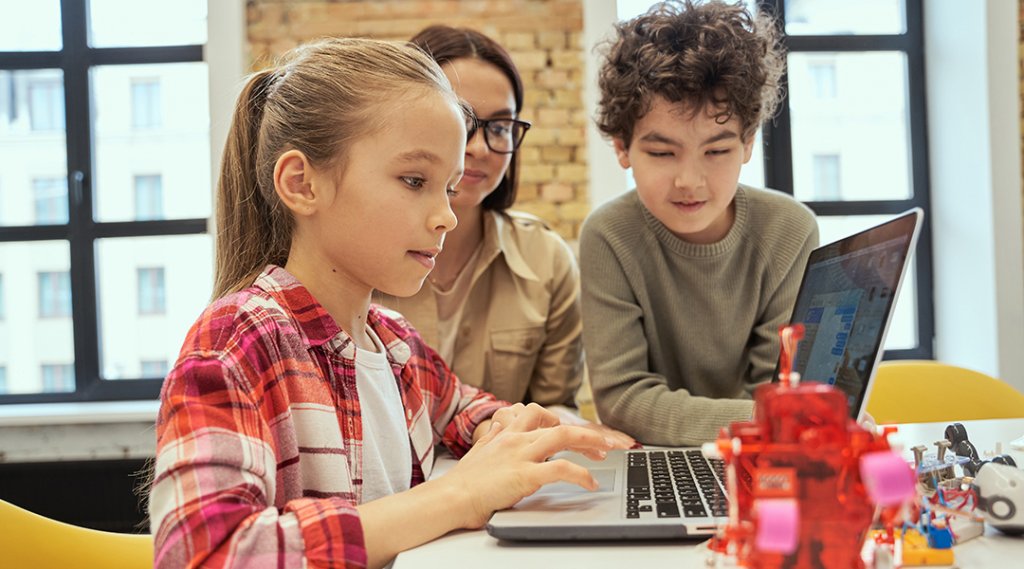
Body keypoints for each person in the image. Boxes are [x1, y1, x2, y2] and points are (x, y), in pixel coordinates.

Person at [148, 38, 615, 569]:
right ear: (302, 184)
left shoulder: (391, 341)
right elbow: (206, 554)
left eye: (449, 187)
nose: (447, 216)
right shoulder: (239, 340)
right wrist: (459, 495)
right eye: (415, 181)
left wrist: (501, 430)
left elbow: (462, 407)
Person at [580, 0, 820, 447]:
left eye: (716, 151)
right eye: (662, 153)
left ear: (748, 143)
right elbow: (622, 399)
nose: (690, 181)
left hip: (761, 457)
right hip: (660, 461)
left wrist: (777, 419)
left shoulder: (789, 230)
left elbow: (780, 387)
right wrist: (773, 420)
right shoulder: (609, 236)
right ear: (622, 148)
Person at [376, 25, 582, 408]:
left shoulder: (546, 260)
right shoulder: (352, 253)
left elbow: (555, 408)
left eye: (501, 127)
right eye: (460, 120)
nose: (479, 148)